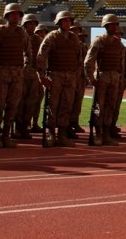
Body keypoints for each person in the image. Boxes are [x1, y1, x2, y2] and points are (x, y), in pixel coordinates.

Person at [0, 3, 31, 149]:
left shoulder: (22, 33)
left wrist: (25, 68)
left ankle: (6, 136)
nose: (15, 16)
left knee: (12, 106)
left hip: (17, 73)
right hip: (2, 73)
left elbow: (29, 53)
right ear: (7, 16)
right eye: (12, 14)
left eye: (17, 14)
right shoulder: (0, 31)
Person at [36, 11, 83, 148]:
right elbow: (41, 56)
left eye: (69, 21)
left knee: (66, 106)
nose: (67, 23)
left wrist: (76, 74)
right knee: (52, 106)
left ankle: (62, 134)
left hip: (70, 76)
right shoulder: (52, 36)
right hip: (55, 75)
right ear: (59, 22)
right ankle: (51, 133)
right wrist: (42, 75)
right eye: (64, 21)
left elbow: (79, 58)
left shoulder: (74, 38)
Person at [84, 14, 126, 146]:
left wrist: (121, 78)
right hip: (102, 77)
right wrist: (90, 77)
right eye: (112, 24)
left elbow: (121, 62)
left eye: (116, 24)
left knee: (110, 107)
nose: (115, 27)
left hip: (114, 78)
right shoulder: (99, 41)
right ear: (106, 26)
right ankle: (98, 134)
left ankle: (106, 134)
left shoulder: (118, 43)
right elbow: (89, 60)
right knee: (98, 107)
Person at [16, 13, 42, 139]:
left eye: (33, 24)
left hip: (33, 74)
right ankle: (17, 127)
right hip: (20, 72)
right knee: (19, 102)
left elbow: (42, 57)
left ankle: (25, 126)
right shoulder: (19, 36)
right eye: (29, 23)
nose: (31, 26)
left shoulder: (38, 39)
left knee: (31, 102)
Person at [67, 20, 88, 138]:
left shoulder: (83, 46)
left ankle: (74, 122)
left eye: (77, 30)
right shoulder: (65, 43)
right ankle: (67, 126)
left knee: (77, 102)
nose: (75, 32)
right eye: (73, 30)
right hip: (69, 76)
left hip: (80, 77)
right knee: (67, 102)